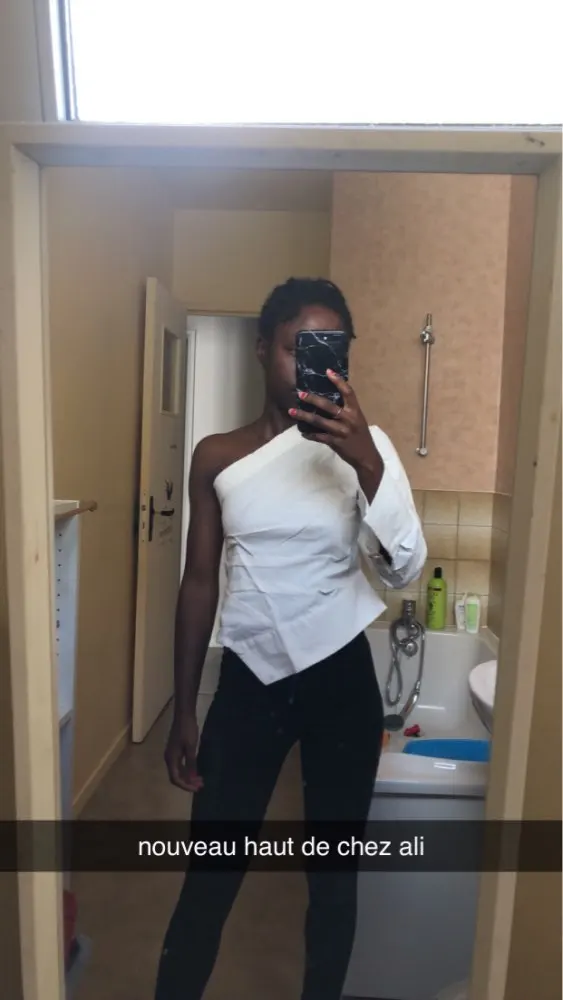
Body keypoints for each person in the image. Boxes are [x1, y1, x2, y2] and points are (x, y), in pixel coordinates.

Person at [154, 277, 427, 1000]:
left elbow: (403, 568)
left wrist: (364, 460)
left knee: (333, 878)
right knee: (211, 873)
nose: (316, 365)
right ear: (262, 351)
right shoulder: (217, 455)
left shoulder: (368, 448)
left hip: (341, 678)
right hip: (250, 678)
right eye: (298, 348)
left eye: (333, 350)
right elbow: (199, 584)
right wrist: (184, 709)